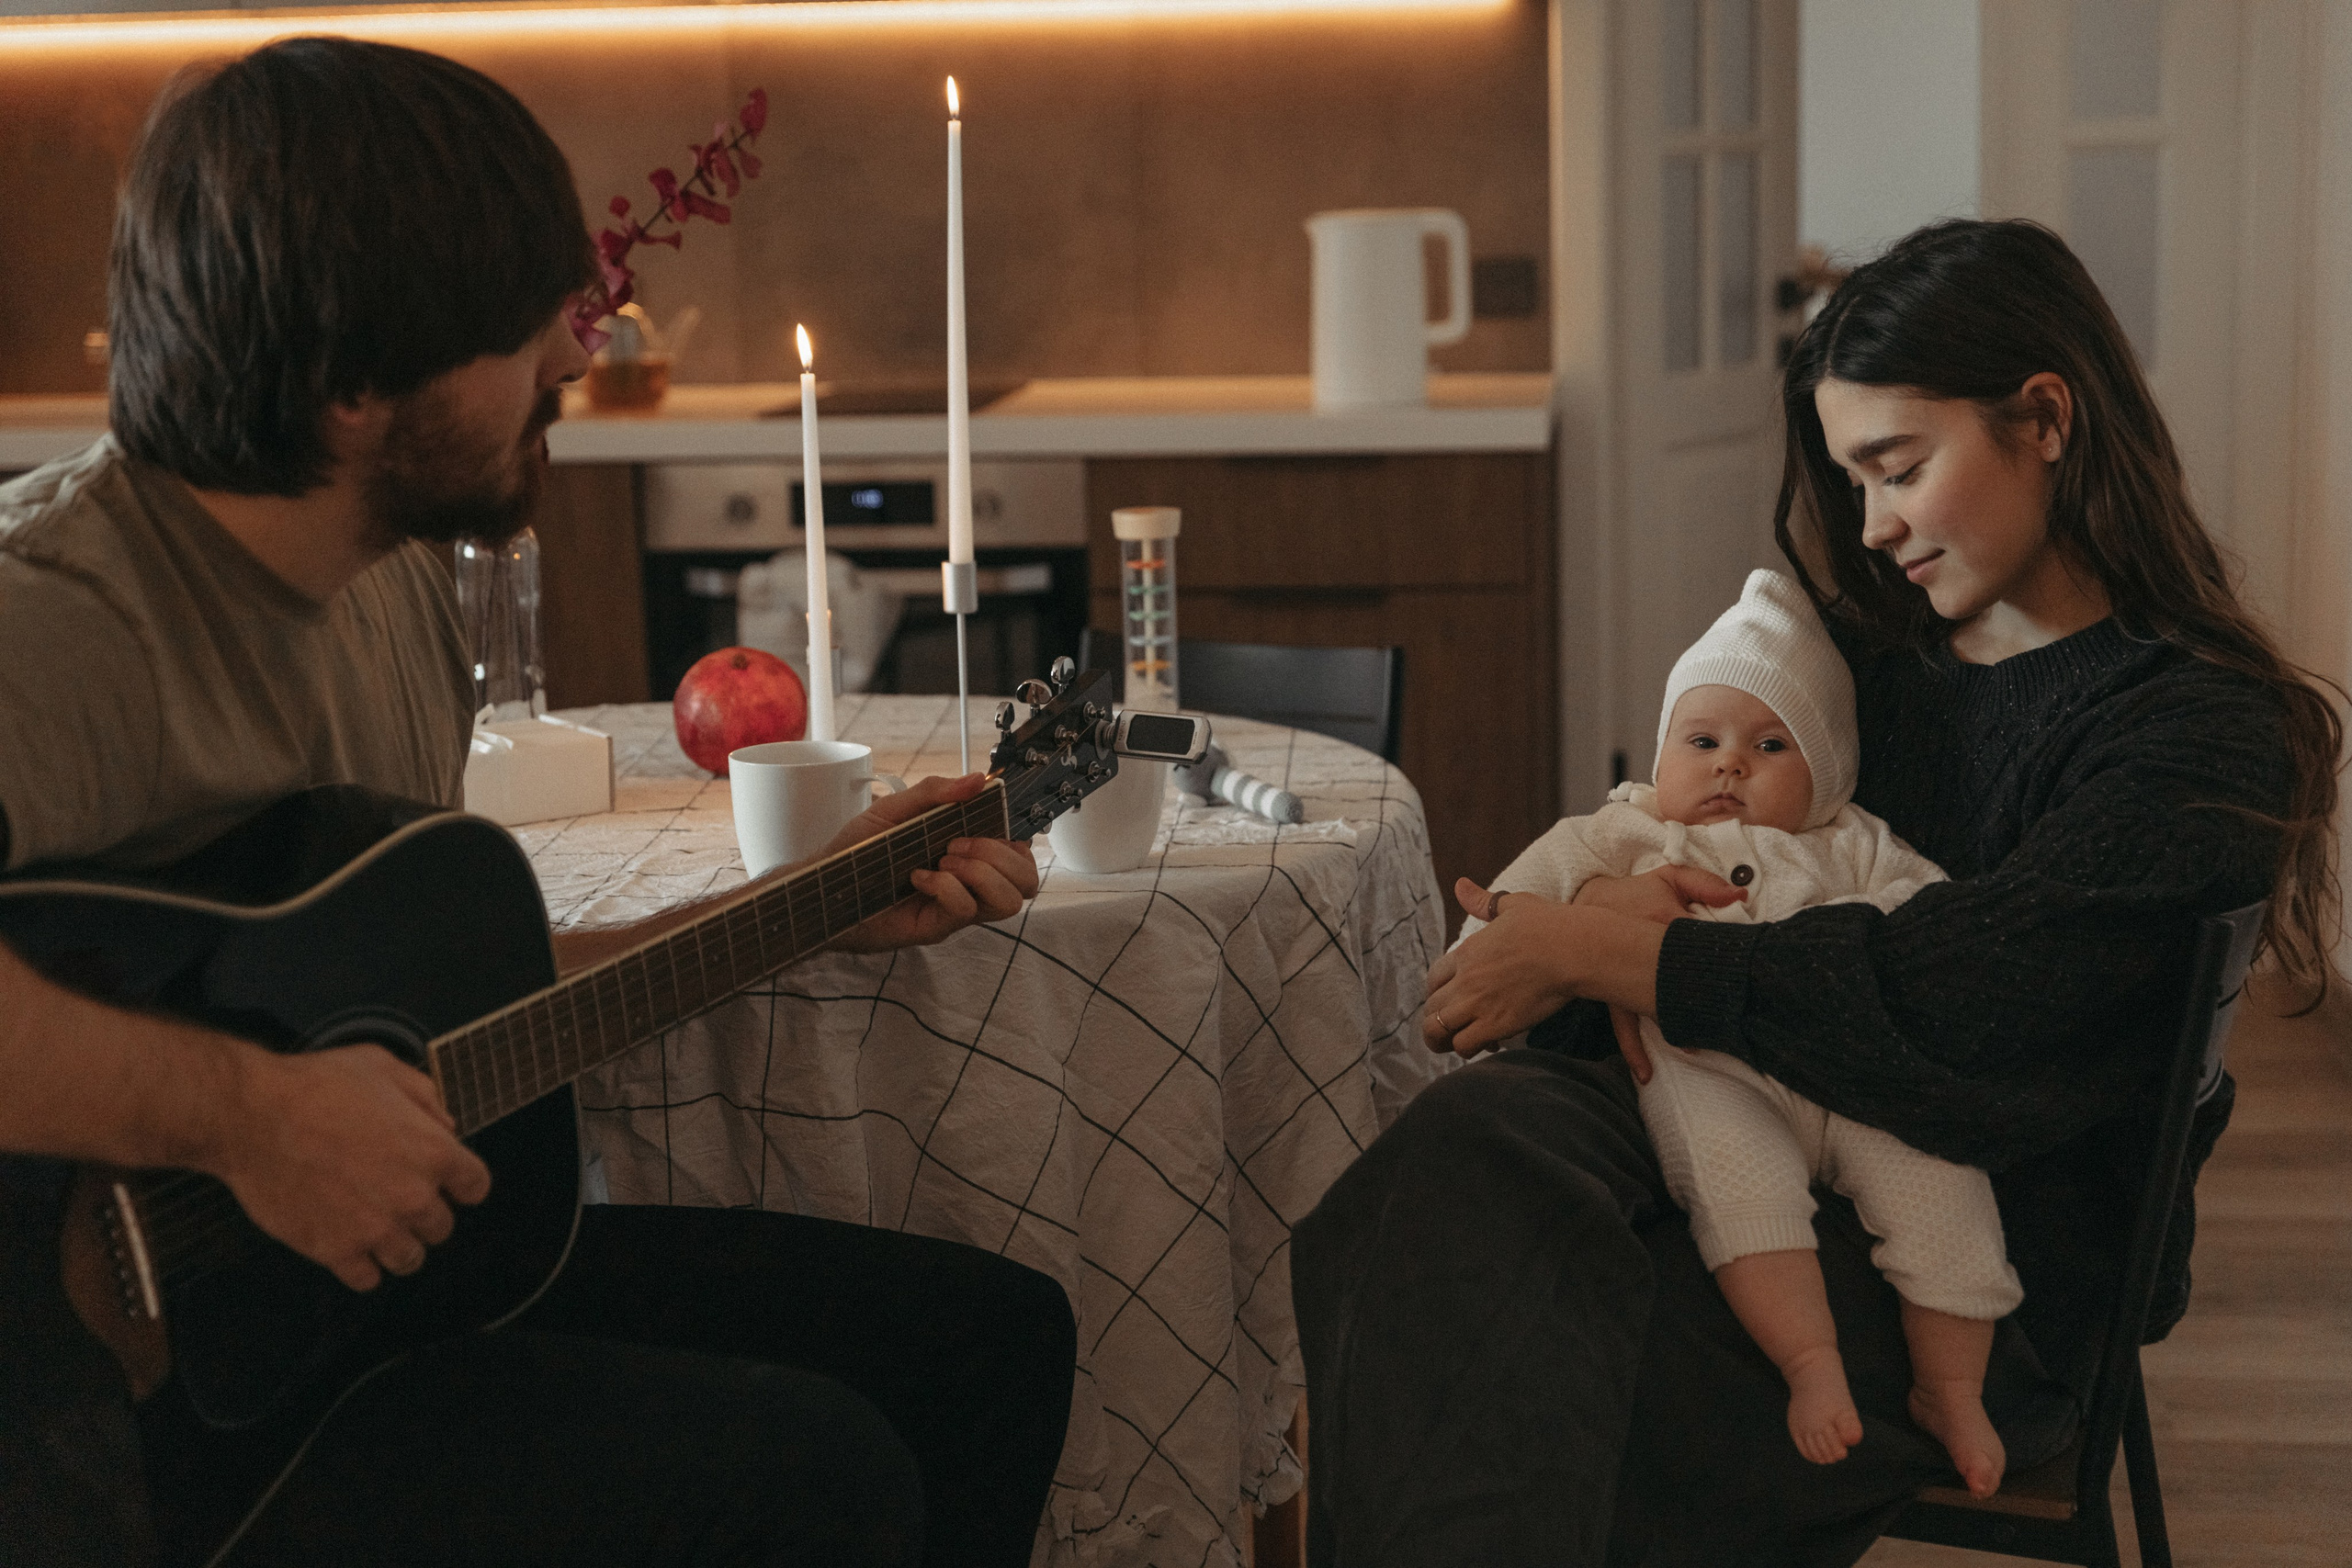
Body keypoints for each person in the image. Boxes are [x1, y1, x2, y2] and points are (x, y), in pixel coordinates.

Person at [0, 39, 1071, 1568]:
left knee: (989, 1345)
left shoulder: (397, 586)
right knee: (811, 1476)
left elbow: (435, 997)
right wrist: (253, 1119)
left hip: (331, 1311)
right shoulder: (54, 624)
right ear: (355, 382)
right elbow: (282, 1098)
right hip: (99, 1433)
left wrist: (804, 903)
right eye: (527, 323)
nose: (578, 357)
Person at [1292, 217, 2343, 1565]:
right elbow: (1690, 835)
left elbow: (1967, 1003)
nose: (1873, 525)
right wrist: (1608, 918)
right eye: (1852, 481)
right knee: (1435, 1175)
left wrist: (1616, 952)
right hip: (1731, 1118)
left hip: (1980, 1273)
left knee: (1514, 1329)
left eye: (1898, 468)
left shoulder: (2195, 730)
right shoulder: (1869, 670)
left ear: (2045, 418)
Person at [1462, 567, 2018, 1497]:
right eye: (1702, 739)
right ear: (1660, 754)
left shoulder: (1854, 840)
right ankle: (1809, 1364)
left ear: (1828, 775)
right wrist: (1503, 927)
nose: (1729, 764)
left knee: (1943, 1185)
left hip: (1854, 1073)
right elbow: (1511, 918)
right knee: (1739, 1191)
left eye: (1769, 745)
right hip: (1708, 1068)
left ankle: (1951, 1387)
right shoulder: (1624, 833)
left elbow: (1937, 933)